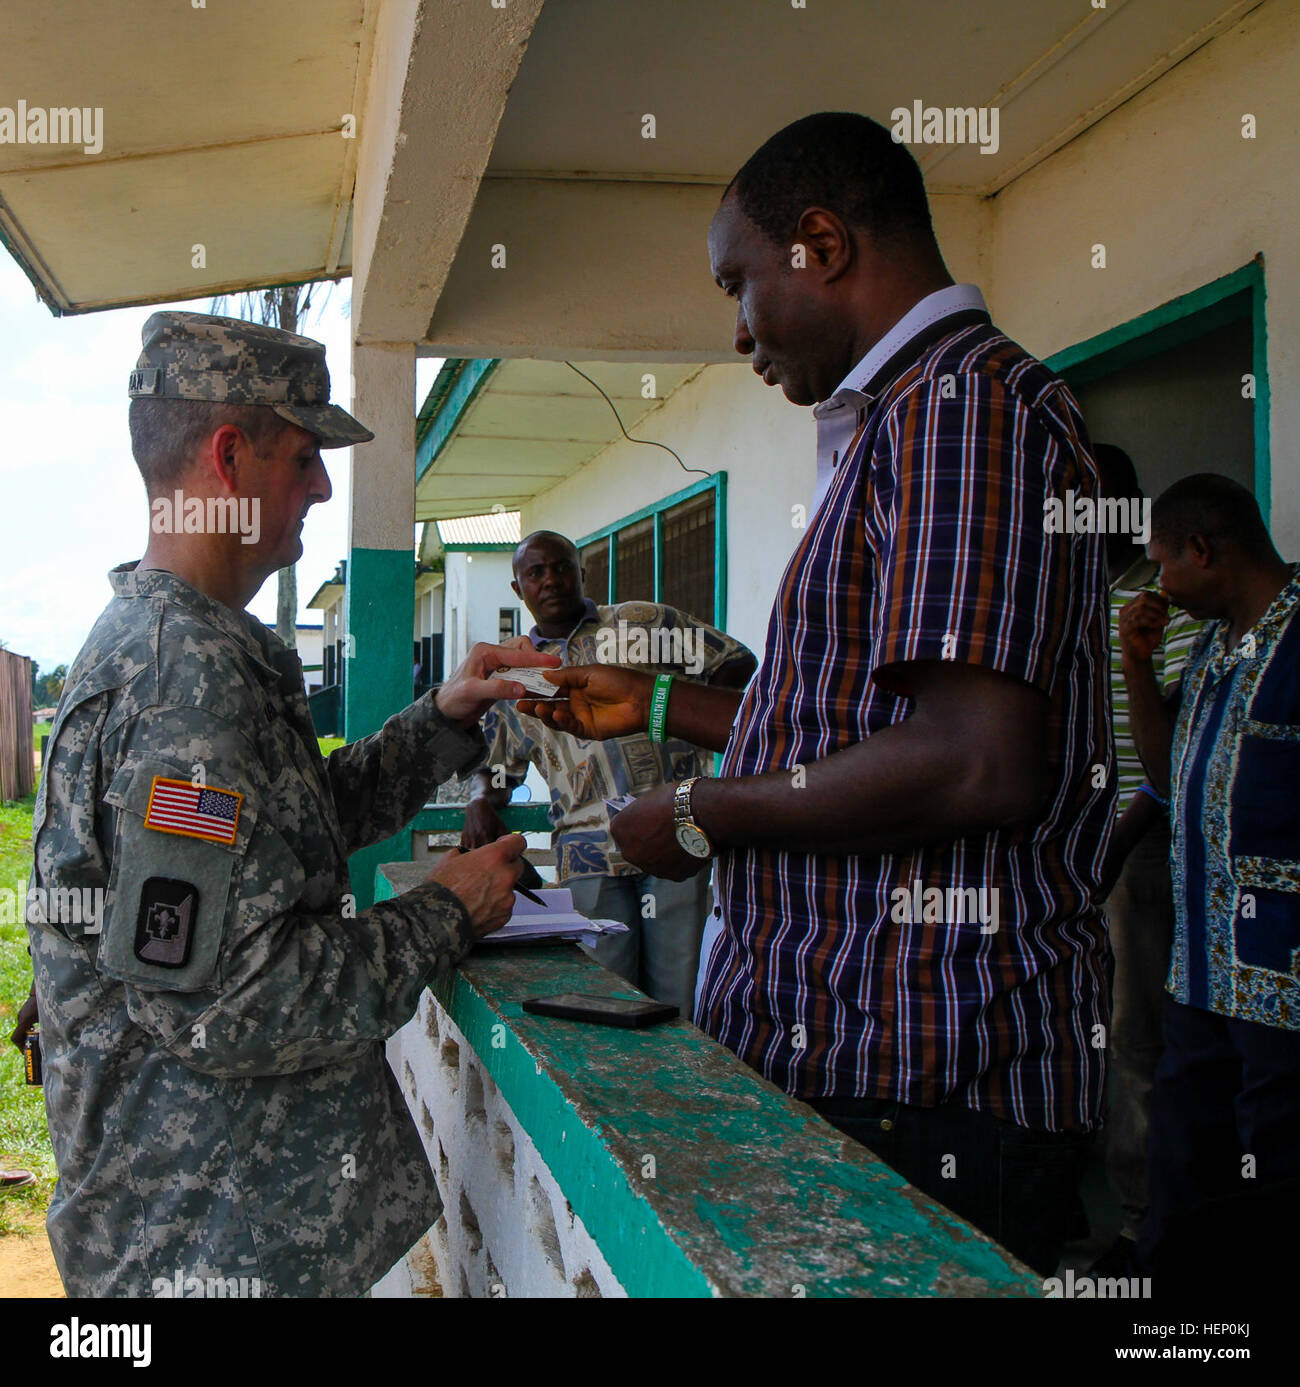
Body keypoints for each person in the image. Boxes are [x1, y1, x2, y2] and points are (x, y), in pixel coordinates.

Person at [516, 112, 1114, 1276]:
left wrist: (695, 814)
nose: (737, 330)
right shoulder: (903, 426)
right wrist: (652, 712)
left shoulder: (959, 411)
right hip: (860, 1062)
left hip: (925, 1077)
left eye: (738, 284)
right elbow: (854, 735)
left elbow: (972, 760)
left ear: (822, 245)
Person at [25, 311, 558, 1298]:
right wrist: (448, 910)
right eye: (306, 456)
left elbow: (279, 832)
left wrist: (443, 715)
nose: (319, 487)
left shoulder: (184, 639)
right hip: (202, 1244)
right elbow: (229, 1001)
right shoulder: (185, 674)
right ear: (230, 457)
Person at [1119, 473, 1300, 1279]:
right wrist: (1136, 664)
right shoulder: (1220, 645)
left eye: (1165, 564)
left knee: (1282, 1176)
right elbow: (1165, 774)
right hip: (1201, 969)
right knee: (1185, 1164)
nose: (1161, 583)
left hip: (1283, 985)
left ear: (1204, 548)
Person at [462, 530, 755, 1017]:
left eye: (562, 567)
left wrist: (695, 728)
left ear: (582, 572)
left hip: (674, 833)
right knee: (606, 997)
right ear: (518, 589)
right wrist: (477, 802)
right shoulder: (516, 673)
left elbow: (735, 662)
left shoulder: (642, 623)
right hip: (588, 855)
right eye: (535, 573)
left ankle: (675, 1091)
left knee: (678, 996)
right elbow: (494, 766)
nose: (551, 580)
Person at [1091, 444, 1200, 1271]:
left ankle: (1142, 1221)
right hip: (1082, 849)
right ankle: (1088, 1189)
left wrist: (1114, 843)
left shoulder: (1171, 606)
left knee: (1135, 1037)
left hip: (1139, 853)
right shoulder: (1079, 600)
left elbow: (1174, 763)